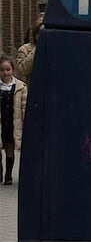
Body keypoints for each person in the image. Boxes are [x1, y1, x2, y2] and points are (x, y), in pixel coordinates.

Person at [0, 54, 27, 185]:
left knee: (10, 148)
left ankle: (9, 174)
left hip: (12, 122)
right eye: (2, 70)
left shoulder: (21, 87)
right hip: (1, 121)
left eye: (8, 69)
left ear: (12, 70)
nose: (5, 73)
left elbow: (24, 106)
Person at [16, 16, 43, 87]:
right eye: (39, 33)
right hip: (32, 88)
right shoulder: (24, 49)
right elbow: (22, 70)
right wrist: (37, 49)